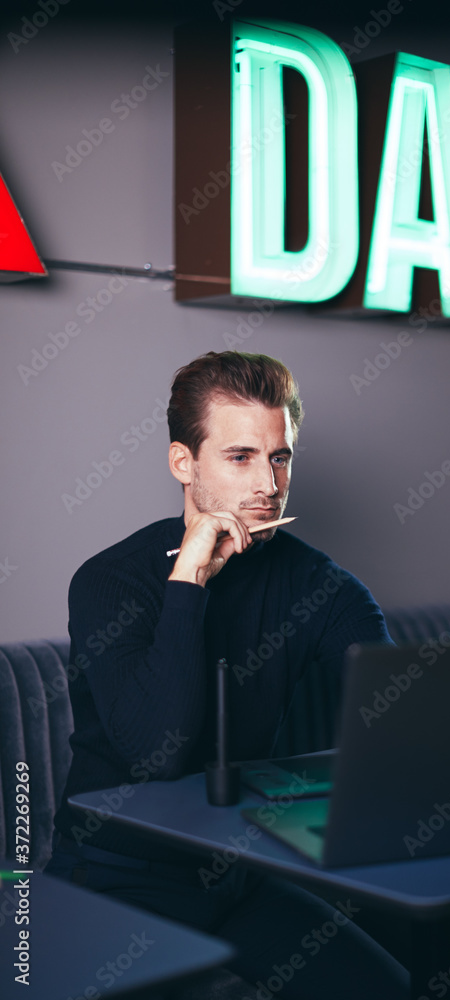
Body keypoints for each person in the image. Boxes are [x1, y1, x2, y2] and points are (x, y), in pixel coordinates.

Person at [45, 350, 409, 999]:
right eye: (240, 457)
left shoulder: (314, 581)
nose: (267, 483)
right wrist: (187, 582)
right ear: (183, 463)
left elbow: (396, 702)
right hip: (113, 877)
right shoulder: (110, 580)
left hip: (238, 871)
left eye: (280, 456)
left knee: (383, 988)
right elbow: (158, 752)